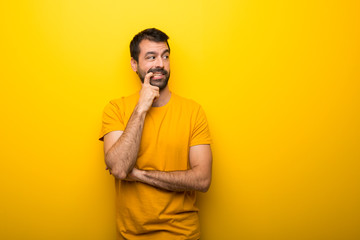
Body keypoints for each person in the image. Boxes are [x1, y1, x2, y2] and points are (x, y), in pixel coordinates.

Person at [99, 28, 212, 240]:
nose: (160, 63)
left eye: (165, 56)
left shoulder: (193, 111)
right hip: (131, 236)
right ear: (134, 64)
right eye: (151, 57)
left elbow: (203, 180)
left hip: (183, 235)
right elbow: (121, 169)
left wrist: (141, 175)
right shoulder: (116, 109)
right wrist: (141, 107)